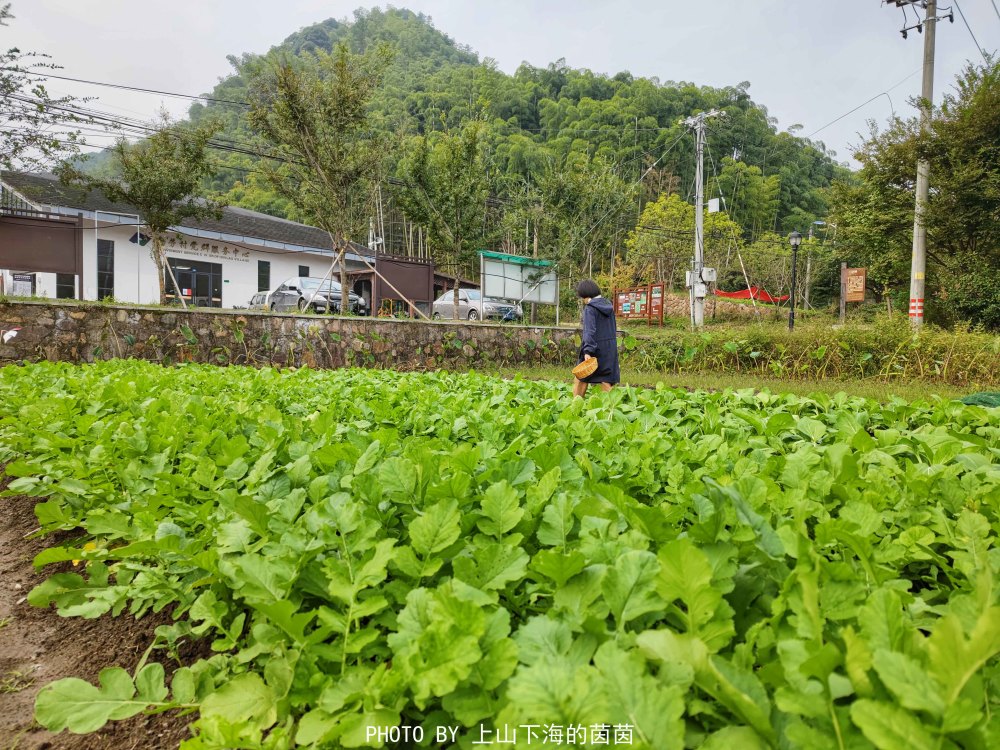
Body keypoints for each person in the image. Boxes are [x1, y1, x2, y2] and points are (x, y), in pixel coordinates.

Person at [573, 279, 620, 397]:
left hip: (595, 347)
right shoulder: (608, 306)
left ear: (586, 295)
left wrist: (588, 351)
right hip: (610, 348)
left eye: (582, 297)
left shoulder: (590, 309)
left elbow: (589, 331)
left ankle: (575, 408)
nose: (582, 300)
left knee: (581, 376)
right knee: (606, 379)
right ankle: (612, 408)